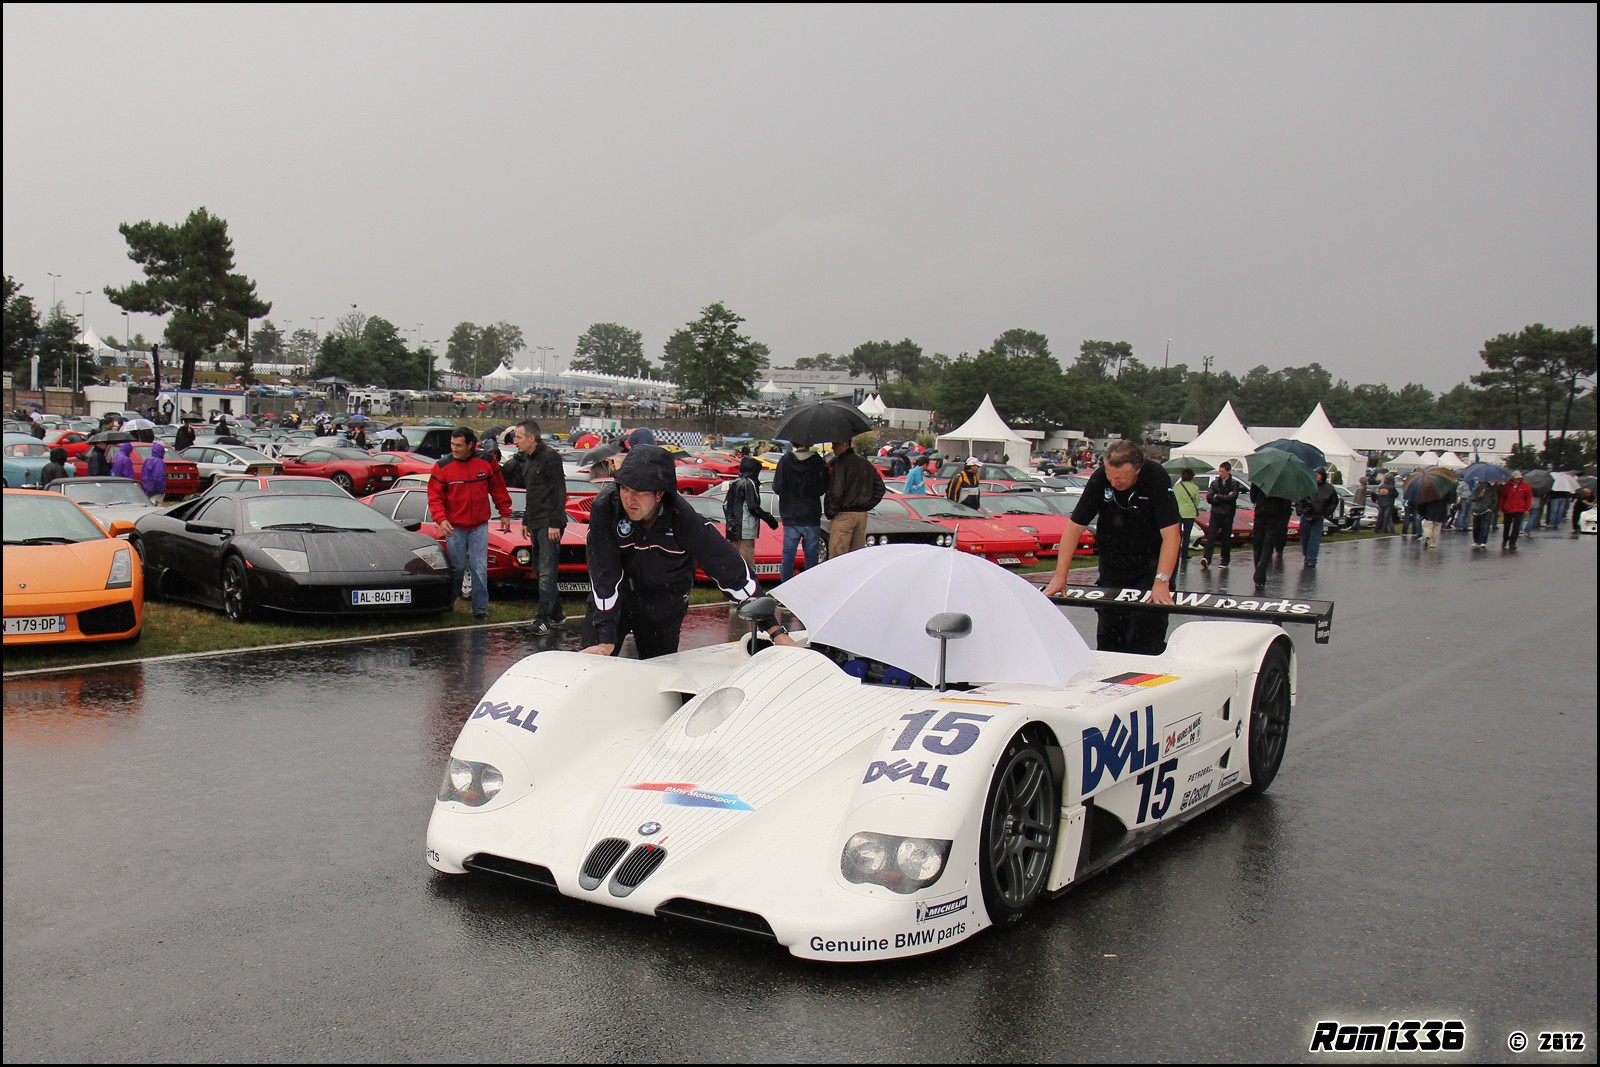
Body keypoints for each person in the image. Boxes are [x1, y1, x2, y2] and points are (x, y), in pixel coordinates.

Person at [582, 444, 758, 659]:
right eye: (625, 488)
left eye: (639, 491)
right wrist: (606, 638)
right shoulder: (607, 506)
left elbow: (727, 568)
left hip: (663, 604)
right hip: (616, 599)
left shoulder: (682, 518)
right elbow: (604, 572)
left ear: (659, 494)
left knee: (659, 672)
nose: (629, 499)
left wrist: (774, 629)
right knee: (593, 661)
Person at [1041, 441, 1180, 654]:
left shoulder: (1155, 476)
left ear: (1138, 470)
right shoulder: (1100, 478)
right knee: (1109, 638)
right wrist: (1061, 575)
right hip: (1113, 565)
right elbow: (1073, 529)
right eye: (1110, 477)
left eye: (1121, 479)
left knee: (1143, 637)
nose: (1114, 482)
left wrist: (1162, 581)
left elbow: (1171, 536)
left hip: (1151, 566)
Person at [427, 427, 513, 621]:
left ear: (470, 445)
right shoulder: (442, 466)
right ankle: (448, 603)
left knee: (479, 567)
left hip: (479, 525)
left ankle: (480, 610)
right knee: (457, 568)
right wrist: (441, 519)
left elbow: (499, 489)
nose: (454, 449)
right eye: (452, 445)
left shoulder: (487, 461)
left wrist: (505, 514)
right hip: (454, 527)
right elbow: (434, 497)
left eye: (459, 445)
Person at [503, 420, 568, 636]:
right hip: (535, 521)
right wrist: (525, 521)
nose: (516, 441)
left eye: (519, 437)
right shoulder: (527, 460)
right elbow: (532, 494)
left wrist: (555, 523)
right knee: (539, 570)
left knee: (547, 573)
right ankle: (557, 613)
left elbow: (559, 491)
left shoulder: (550, 457)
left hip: (550, 523)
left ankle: (543, 619)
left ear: (532, 438)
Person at [772, 443, 828, 582]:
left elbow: (776, 487)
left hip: (790, 513)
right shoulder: (817, 461)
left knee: (788, 556)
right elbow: (822, 488)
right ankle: (809, 587)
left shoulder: (785, 460)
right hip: (811, 515)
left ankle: (785, 587)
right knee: (811, 557)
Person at [824, 438, 886, 558]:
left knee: (837, 557)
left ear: (844, 443)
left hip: (844, 514)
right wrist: (866, 505)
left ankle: (840, 577)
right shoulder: (864, 463)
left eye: (835, 444)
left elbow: (836, 491)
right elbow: (880, 488)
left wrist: (831, 511)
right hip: (861, 515)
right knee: (856, 558)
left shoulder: (841, 463)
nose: (832, 447)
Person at [723, 458, 779, 578]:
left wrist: (731, 521)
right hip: (746, 528)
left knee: (735, 560)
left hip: (733, 527)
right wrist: (769, 518)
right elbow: (753, 507)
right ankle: (749, 586)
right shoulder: (749, 484)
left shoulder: (735, 483)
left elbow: (725, 505)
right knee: (747, 561)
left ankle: (735, 585)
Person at [1250, 483, 1293, 591]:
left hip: (1263, 515)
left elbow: (1253, 498)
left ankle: (1259, 574)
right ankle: (1260, 574)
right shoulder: (1284, 482)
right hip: (1273, 516)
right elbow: (1286, 502)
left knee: (1259, 546)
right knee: (1266, 546)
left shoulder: (1260, 479)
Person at [1199, 462, 1241, 568]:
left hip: (1227, 514)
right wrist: (1220, 498)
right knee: (1211, 536)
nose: (1220, 473)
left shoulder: (1234, 484)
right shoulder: (1214, 483)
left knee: (1226, 538)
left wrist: (1218, 496)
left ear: (1228, 471)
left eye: (1222, 471)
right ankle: (1207, 558)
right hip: (1215, 513)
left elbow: (1232, 498)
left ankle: (1225, 560)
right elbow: (1209, 497)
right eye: (1220, 471)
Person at [1298, 468, 1338, 567]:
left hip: (1318, 517)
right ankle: (1307, 555)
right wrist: (1300, 510)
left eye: (1319, 474)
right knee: (1305, 537)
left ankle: (1312, 558)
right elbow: (1299, 498)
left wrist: (1327, 513)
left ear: (1323, 475)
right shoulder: (1307, 486)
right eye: (1315, 474)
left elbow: (1334, 502)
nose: (1317, 476)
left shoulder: (1329, 488)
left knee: (1314, 538)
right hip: (1306, 514)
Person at [1173, 469, 1202, 567]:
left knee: (1177, 534)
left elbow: (1173, 499)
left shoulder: (1176, 487)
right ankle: (1184, 553)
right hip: (1189, 513)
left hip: (1178, 512)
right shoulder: (1195, 487)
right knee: (1187, 534)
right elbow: (1197, 501)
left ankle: (1175, 553)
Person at [1498, 471, 1533, 550]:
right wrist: (1500, 508)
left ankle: (1512, 542)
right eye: (1517, 478)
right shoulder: (1507, 486)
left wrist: (1527, 509)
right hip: (1508, 509)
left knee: (1516, 527)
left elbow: (1528, 498)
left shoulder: (1525, 486)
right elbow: (1502, 498)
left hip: (1519, 509)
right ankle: (1505, 539)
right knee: (1506, 526)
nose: (1518, 480)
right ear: (1513, 478)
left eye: (1520, 478)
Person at [1470, 479, 1500, 549]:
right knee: (1476, 527)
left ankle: (1483, 542)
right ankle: (1476, 541)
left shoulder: (1492, 489)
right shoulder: (1477, 489)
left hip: (1487, 510)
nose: (1481, 484)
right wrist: (1478, 496)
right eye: (1480, 483)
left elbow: (1495, 499)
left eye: (1483, 483)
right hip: (1477, 510)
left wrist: (1492, 508)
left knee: (1485, 526)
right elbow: (1471, 498)